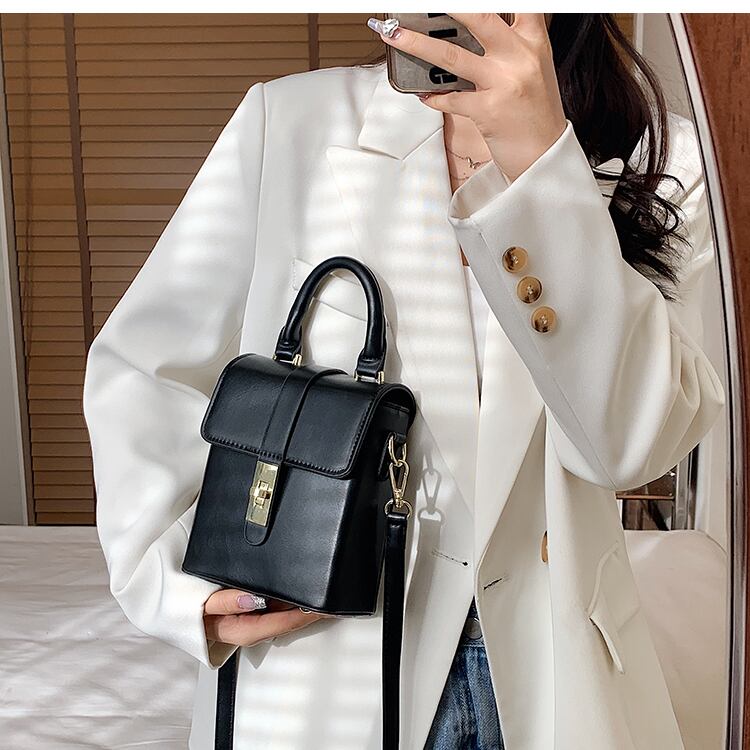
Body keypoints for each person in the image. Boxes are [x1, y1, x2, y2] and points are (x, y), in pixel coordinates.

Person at [82, 13, 725, 750]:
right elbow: (148, 362)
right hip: (328, 660)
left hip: (556, 676)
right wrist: (172, 577)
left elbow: (629, 449)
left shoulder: (665, 160)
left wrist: (540, 163)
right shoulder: (293, 121)